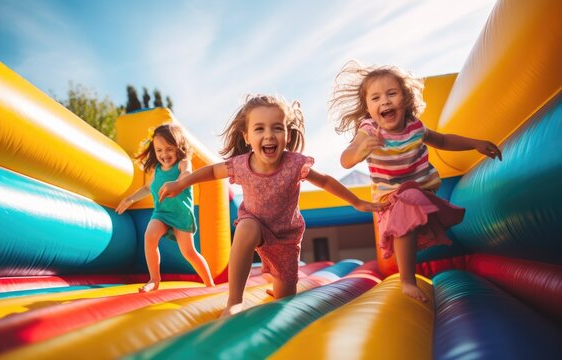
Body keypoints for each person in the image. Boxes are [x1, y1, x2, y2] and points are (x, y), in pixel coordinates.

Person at [159, 94, 387, 316]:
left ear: (287, 134)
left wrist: (356, 201)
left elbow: (325, 180)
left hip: (285, 238)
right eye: (259, 128)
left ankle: (279, 286)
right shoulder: (240, 165)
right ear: (246, 136)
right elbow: (211, 171)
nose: (269, 135)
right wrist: (181, 183)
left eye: (277, 127)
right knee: (246, 226)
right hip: (255, 225)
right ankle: (234, 301)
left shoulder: (295, 164)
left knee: (285, 299)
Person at [330, 61, 502, 302]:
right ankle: (407, 281)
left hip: (423, 192)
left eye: (392, 94)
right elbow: (346, 159)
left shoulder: (415, 127)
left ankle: (414, 260)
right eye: (376, 98)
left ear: (406, 99)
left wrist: (474, 143)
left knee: (410, 199)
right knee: (404, 206)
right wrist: (359, 152)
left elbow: (442, 141)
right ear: (368, 108)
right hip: (390, 199)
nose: (385, 102)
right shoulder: (369, 130)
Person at [116, 123, 215, 292]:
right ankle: (154, 279)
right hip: (161, 213)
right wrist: (130, 199)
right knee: (149, 237)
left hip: (180, 214)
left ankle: (210, 284)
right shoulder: (157, 169)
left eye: (169, 149)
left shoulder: (183, 163)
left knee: (189, 252)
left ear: (178, 147)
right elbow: (148, 188)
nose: (164, 154)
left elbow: (187, 174)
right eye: (159, 150)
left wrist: (179, 182)